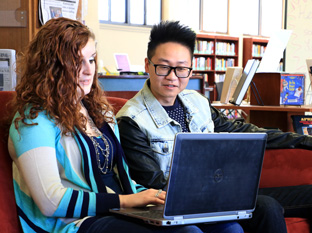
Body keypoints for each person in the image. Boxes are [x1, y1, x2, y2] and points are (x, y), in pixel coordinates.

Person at [8, 18, 243, 233]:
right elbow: (50, 202)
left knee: (227, 227)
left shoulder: (97, 111)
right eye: (76, 62)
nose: (89, 70)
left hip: (119, 210)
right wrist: (126, 201)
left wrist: (155, 197)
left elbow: (122, 179)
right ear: (52, 66)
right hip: (75, 224)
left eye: (91, 59)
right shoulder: (33, 120)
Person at [116, 21, 312, 233]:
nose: (172, 77)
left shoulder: (196, 102)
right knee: (266, 206)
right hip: (187, 203)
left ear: (190, 69)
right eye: (163, 67)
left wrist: (305, 139)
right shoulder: (132, 120)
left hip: (227, 192)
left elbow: (241, 130)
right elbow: (153, 182)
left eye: (181, 68)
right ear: (148, 64)